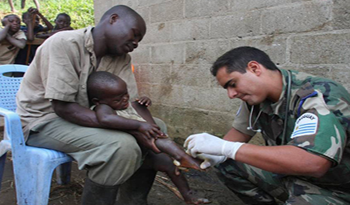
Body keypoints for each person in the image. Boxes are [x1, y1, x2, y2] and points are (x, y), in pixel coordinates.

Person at [17, 5, 160, 205]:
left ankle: (133, 200)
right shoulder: (64, 43)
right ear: (113, 19)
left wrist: (160, 137)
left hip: (82, 117)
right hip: (43, 121)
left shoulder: (121, 58)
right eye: (134, 34)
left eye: (139, 40)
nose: (136, 43)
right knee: (120, 146)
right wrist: (135, 127)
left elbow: (132, 104)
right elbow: (63, 108)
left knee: (157, 127)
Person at [184, 46, 350, 204]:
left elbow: (313, 163)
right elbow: (238, 133)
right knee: (226, 163)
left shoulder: (316, 95)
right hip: (291, 177)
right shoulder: (257, 98)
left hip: (334, 189)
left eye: (233, 84)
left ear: (254, 68)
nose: (231, 94)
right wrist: (216, 152)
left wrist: (228, 148)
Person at [87, 71, 209, 204]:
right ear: (97, 101)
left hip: (147, 148)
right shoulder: (103, 108)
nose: (124, 100)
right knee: (160, 143)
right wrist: (139, 125)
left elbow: (138, 111)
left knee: (170, 165)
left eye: (126, 95)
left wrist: (143, 102)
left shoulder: (126, 105)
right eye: (117, 99)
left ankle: (188, 194)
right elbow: (105, 119)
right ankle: (181, 156)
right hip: (131, 149)